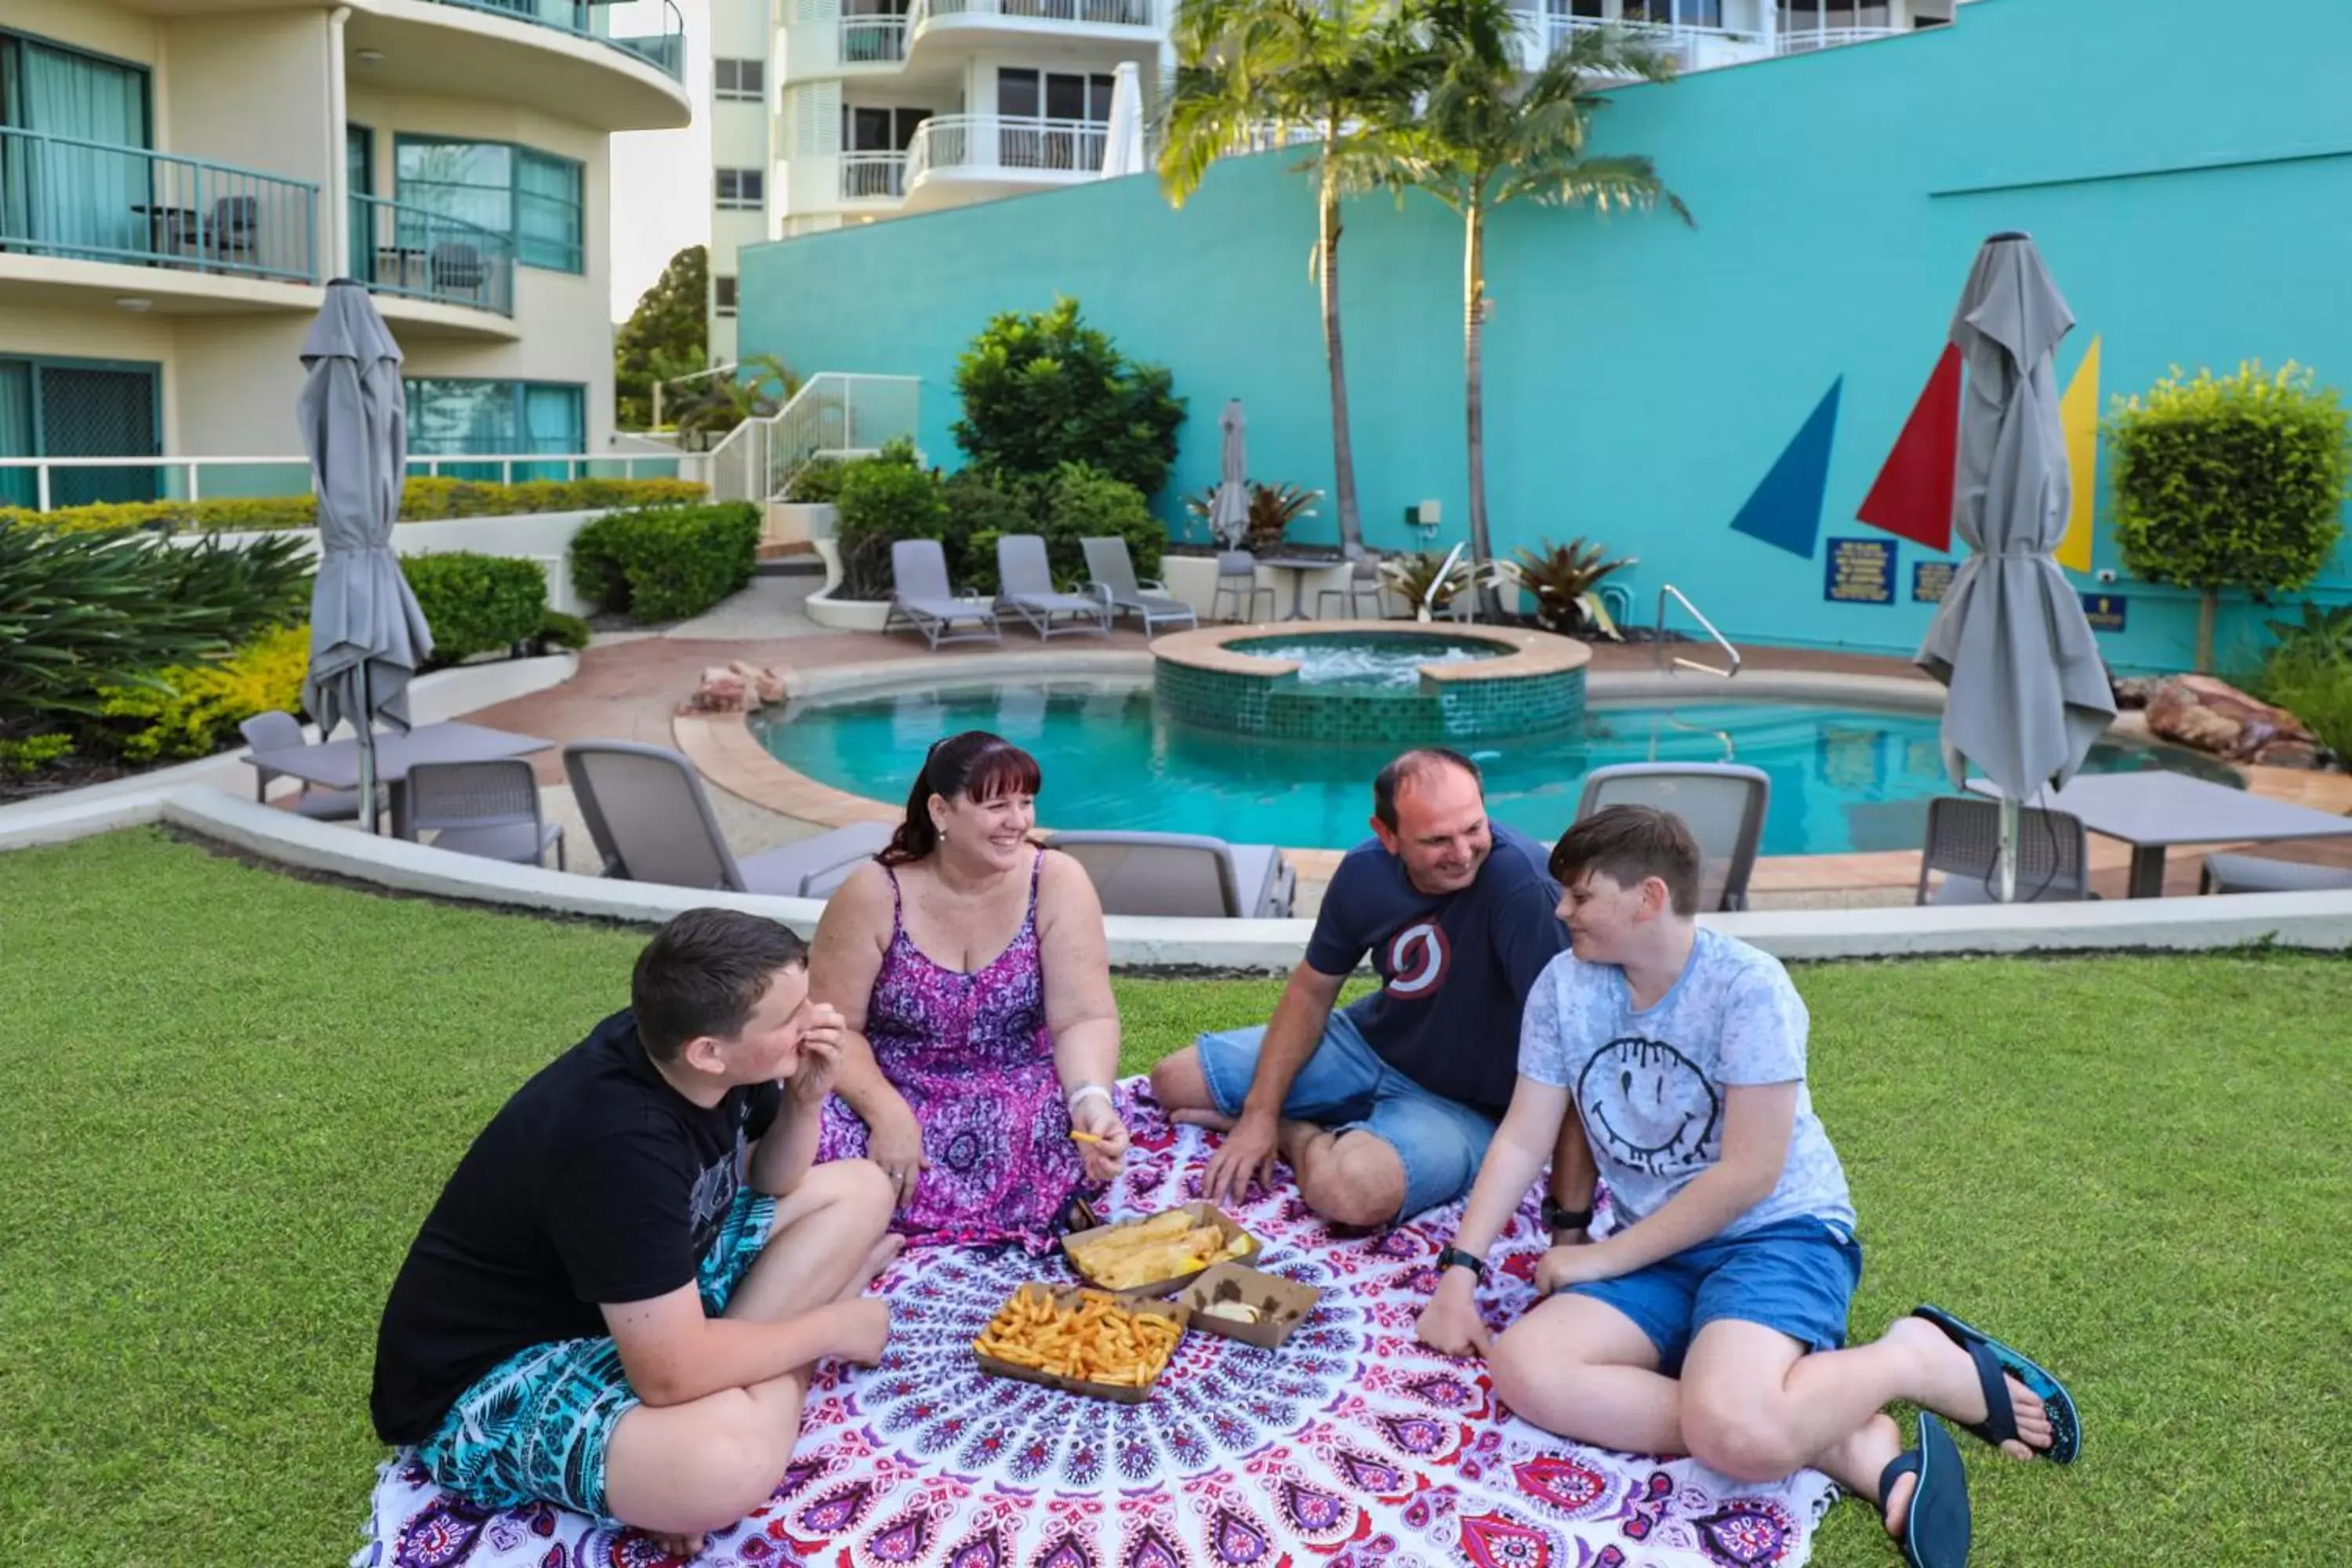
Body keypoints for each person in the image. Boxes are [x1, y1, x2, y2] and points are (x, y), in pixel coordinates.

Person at [1417, 807, 2082, 1568]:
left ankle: (1912, 1357)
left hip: (1776, 1234)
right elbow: (1524, 1135)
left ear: (1648, 898)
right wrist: (1458, 1274)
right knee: (1526, 1367)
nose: (1561, 908)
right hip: (1662, 1251)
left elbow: (1750, 1174)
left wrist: (1601, 1258)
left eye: (1579, 894)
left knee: (1740, 1434)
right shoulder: (1563, 985)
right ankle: (1834, 1434)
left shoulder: (1748, 987)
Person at [370, 909, 899, 1559]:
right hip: (495, 1372)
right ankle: (726, 1407)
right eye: (791, 1016)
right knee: (725, 1465)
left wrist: (805, 1098)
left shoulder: (702, 1052)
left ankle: (715, 1394)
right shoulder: (623, 1143)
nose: (816, 1019)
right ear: (707, 1051)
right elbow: (667, 1379)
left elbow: (774, 1181)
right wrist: (832, 1328)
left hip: (628, 1307)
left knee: (861, 1190)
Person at [1151, 748, 1581, 1229]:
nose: (1463, 854)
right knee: (1174, 1080)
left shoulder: (1525, 890)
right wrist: (1256, 1114)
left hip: (1466, 1107)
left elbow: (1568, 1050)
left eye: (1474, 828)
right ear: (1388, 835)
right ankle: (1316, 1122)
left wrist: (1568, 1220)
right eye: (1438, 839)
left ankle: (1300, 1135)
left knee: (1351, 1193)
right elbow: (1311, 993)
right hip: (1369, 1046)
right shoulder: (1364, 872)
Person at [810, 730, 1130, 1252]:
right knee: (813, 1122)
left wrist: (1089, 1099)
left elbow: (1084, 1017)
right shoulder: (874, 892)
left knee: (1064, 1120)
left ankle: (925, 1222)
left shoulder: (1056, 880)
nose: (1019, 821)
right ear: (940, 811)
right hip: (895, 1082)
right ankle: (1027, 1210)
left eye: (1025, 802)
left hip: (1018, 1087)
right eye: (997, 805)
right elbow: (834, 1026)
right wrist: (887, 1114)